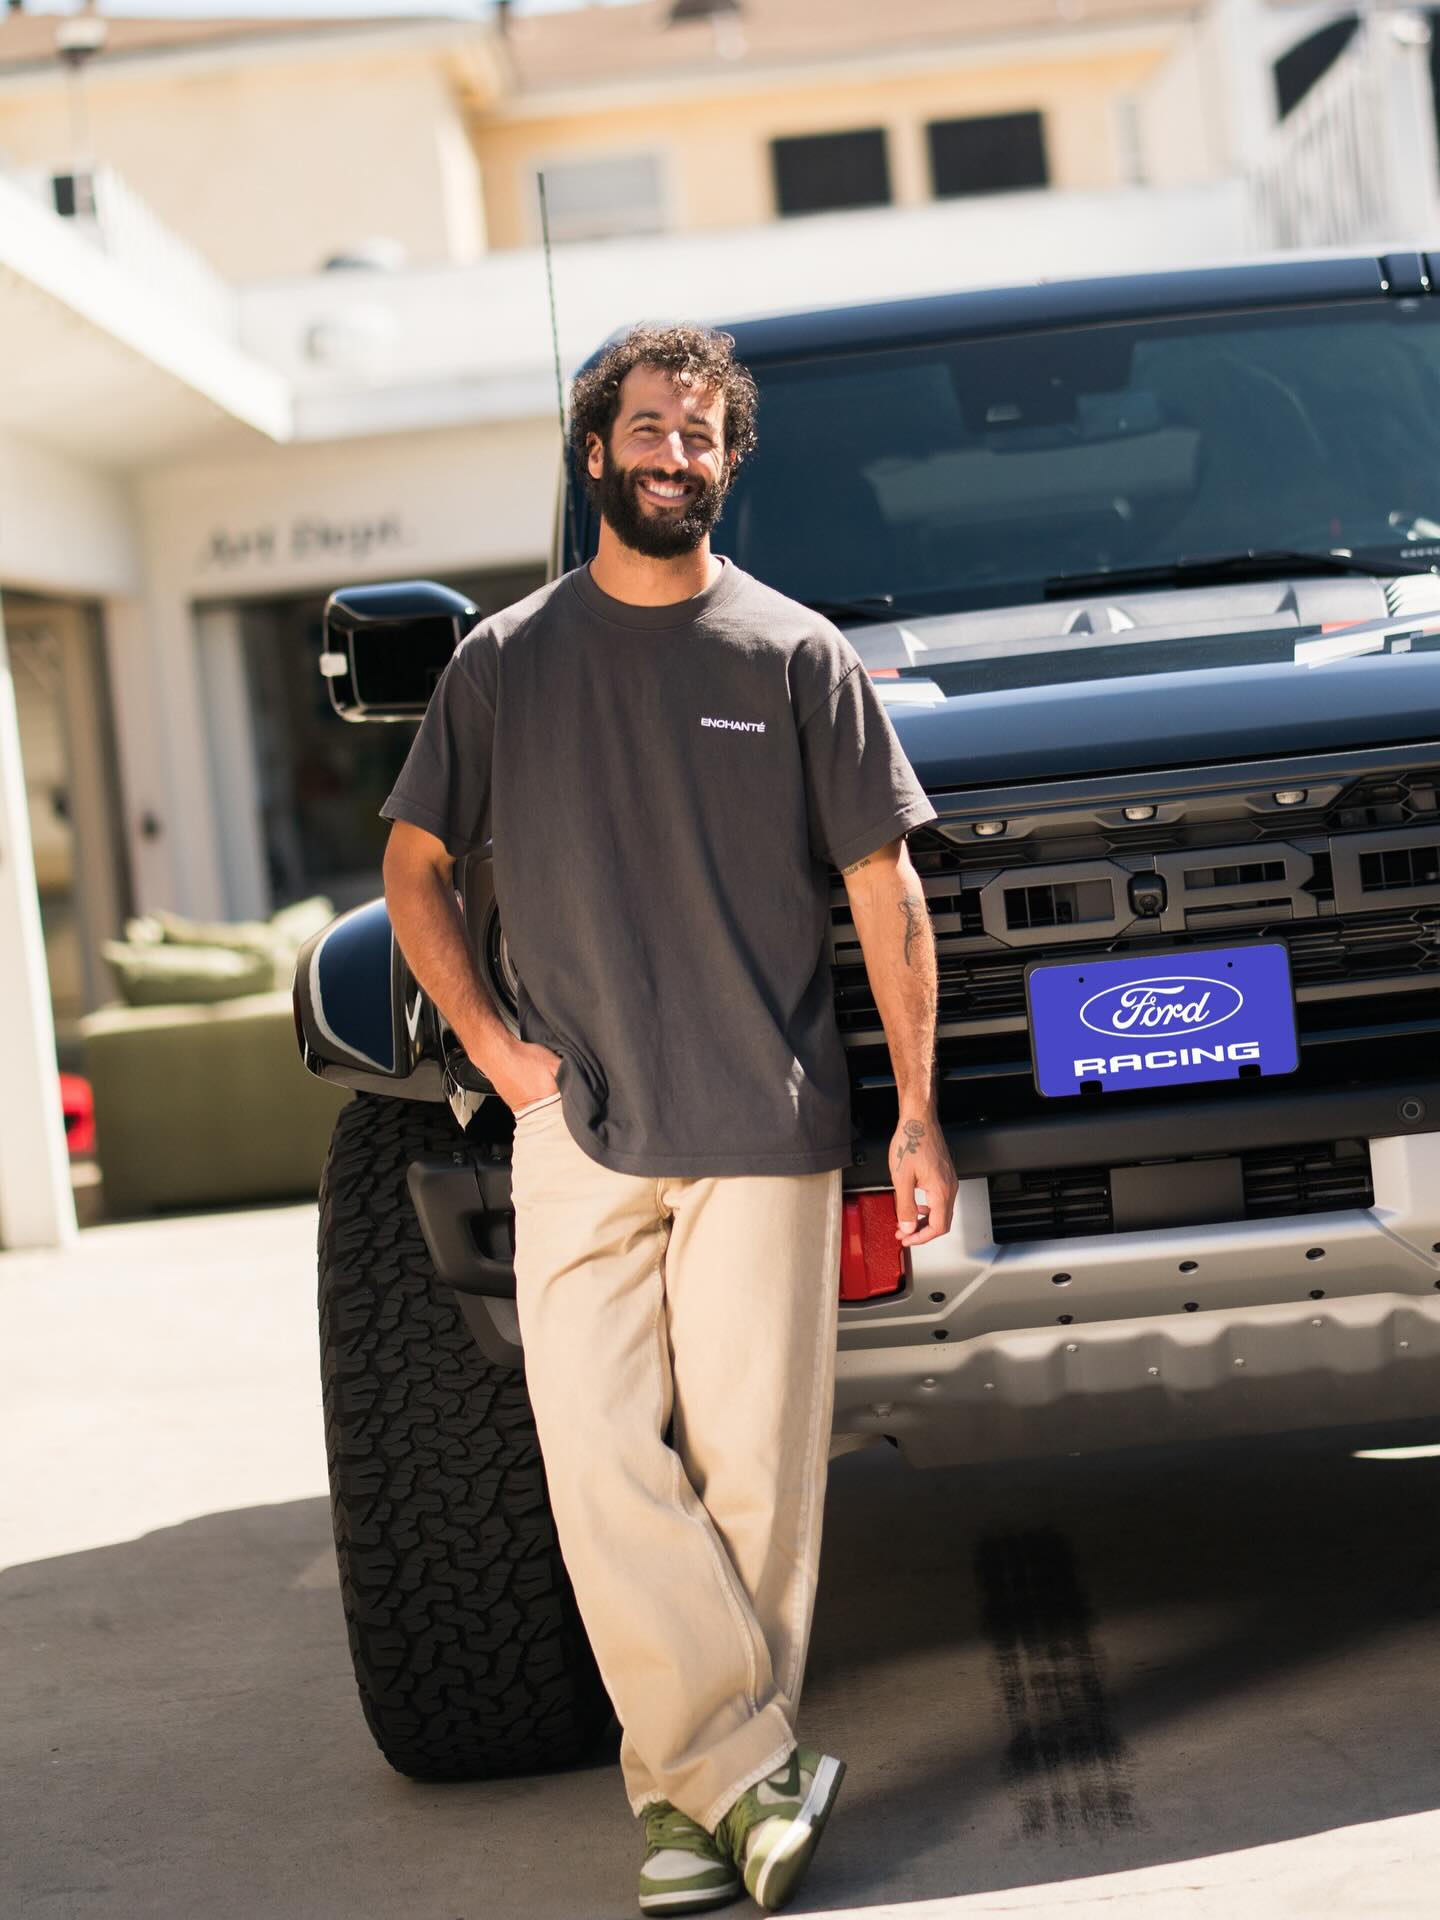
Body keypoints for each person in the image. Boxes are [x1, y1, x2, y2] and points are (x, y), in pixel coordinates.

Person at [378, 323, 957, 1915]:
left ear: (725, 463)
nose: (672, 453)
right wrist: (498, 1053)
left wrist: (917, 1113)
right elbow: (413, 867)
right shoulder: (504, 660)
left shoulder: (793, 655)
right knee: (594, 1457)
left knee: (755, 1470)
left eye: (700, 434)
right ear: (596, 455)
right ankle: (749, 1771)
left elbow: (883, 890)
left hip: (763, 1121)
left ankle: (694, 1808)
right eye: (647, 427)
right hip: (577, 1120)